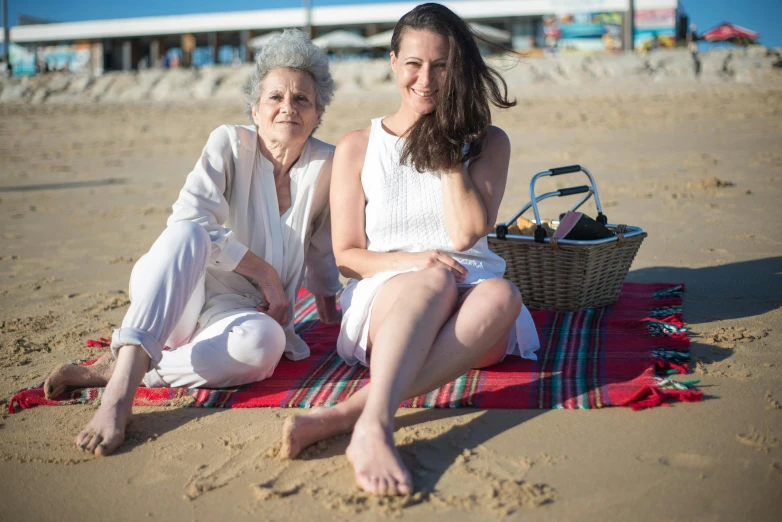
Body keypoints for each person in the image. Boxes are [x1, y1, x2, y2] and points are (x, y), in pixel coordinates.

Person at [280, 3, 540, 495]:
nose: (426, 79)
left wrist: (445, 146)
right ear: (393, 62)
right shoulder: (358, 146)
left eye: (441, 66)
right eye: (415, 64)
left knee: (504, 296)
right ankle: (375, 427)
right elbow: (347, 254)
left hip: (475, 305)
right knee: (434, 278)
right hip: (391, 295)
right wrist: (414, 261)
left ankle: (348, 414)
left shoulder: (488, 143)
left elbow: (466, 235)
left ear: (456, 68)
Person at [43, 29, 342, 456]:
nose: (287, 109)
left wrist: (330, 315)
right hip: (177, 289)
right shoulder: (229, 143)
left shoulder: (326, 165)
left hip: (238, 313)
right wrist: (266, 273)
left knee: (266, 346)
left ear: (317, 115)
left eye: (302, 100)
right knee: (188, 231)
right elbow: (189, 219)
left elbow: (321, 248)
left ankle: (128, 366)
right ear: (255, 109)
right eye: (275, 97)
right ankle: (118, 399)